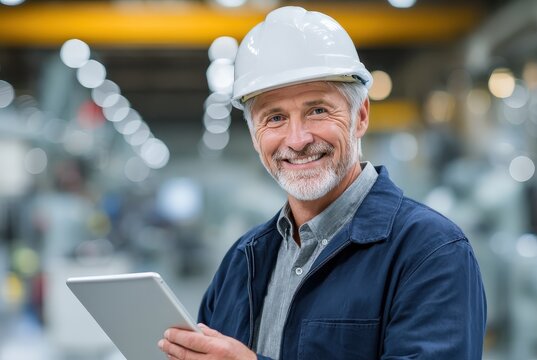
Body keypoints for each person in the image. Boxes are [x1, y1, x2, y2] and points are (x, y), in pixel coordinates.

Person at [158, 6, 487, 360]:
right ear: (255, 138)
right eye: (275, 118)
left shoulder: (429, 251)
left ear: (359, 117)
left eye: (317, 110)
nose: (297, 140)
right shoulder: (244, 259)